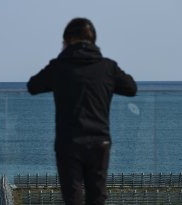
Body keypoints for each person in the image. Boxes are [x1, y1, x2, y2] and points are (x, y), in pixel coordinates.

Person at [27, 18, 137, 205]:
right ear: (94, 40)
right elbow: (131, 88)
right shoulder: (107, 67)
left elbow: (33, 86)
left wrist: (62, 62)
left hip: (69, 143)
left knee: (73, 197)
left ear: (68, 40)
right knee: (97, 197)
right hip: (100, 142)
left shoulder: (59, 67)